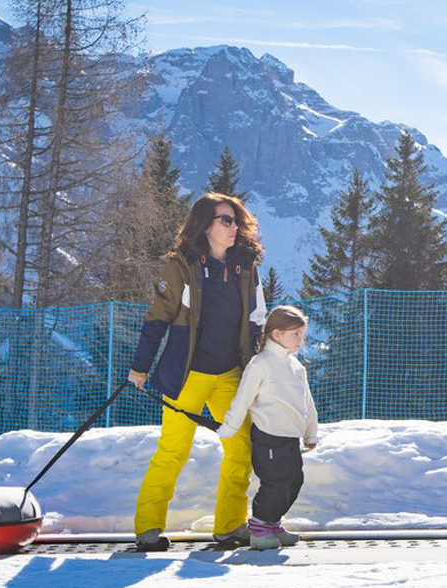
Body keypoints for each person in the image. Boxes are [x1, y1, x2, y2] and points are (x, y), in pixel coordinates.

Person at [127, 193, 266, 551]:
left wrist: (264, 365)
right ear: (205, 225)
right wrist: (140, 368)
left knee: (240, 446)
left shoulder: (246, 267)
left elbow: (257, 321)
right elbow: (157, 318)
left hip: (230, 373)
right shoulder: (180, 267)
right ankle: (147, 527)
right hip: (187, 374)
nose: (234, 227)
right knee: (173, 449)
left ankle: (230, 526)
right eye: (226, 220)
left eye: (236, 220)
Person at [216, 305, 319, 550]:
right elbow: (243, 399)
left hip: (291, 437)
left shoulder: (296, 367)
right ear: (276, 334)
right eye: (295, 335)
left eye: (301, 336)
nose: (300, 341)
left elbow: (307, 402)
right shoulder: (260, 364)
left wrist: (310, 432)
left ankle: (272, 524)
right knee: (276, 482)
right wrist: (228, 428)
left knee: (294, 481)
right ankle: (260, 528)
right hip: (268, 437)